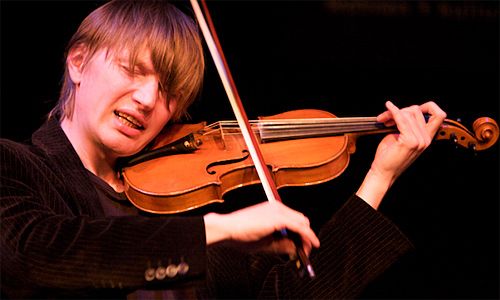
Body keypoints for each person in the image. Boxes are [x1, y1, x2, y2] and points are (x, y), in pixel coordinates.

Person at [0, 1, 447, 299]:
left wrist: (379, 178)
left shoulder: (169, 209)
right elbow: (32, 252)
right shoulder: (15, 165)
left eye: (170, 91)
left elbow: (289, 295)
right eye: (133, 70)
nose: (149, 100)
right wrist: (217, 228)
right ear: (77, 61)